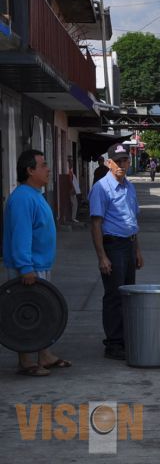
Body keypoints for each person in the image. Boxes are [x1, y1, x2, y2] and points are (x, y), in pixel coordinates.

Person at [3, 150, 71, 376]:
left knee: (41, 312)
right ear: (30, 170)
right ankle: (25, 361)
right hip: (28, 268)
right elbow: (21, 235)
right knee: (25, 314)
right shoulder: (22, 197)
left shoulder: (35, 194)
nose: (48, 169)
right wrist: (25, 267)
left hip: (40, 265)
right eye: (43, 165)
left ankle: (45, 355)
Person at [89, 143, 143, 360]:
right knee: (114, 296)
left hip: (129, 245)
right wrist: (102, 256)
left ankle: (125, 338)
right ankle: (113, 343)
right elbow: (95, 224)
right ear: (109, 163)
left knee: (129, 294)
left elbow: (133, 220)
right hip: (113, 247)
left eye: (125, 160)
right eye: (117, 161)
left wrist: (137, 249)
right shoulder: (101, 188)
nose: (122, 165)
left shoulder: (130, 187)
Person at [68, 157, 81, 223]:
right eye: (70, 163)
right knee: (75, 204)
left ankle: (73, 217)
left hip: (73, 190)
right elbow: (70, 181)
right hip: (72, 190)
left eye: (72, 163)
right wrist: (73, 188)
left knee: (74, 203)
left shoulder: (71, 171)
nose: (72, 164)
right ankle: (73, 218)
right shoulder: (69, 172)